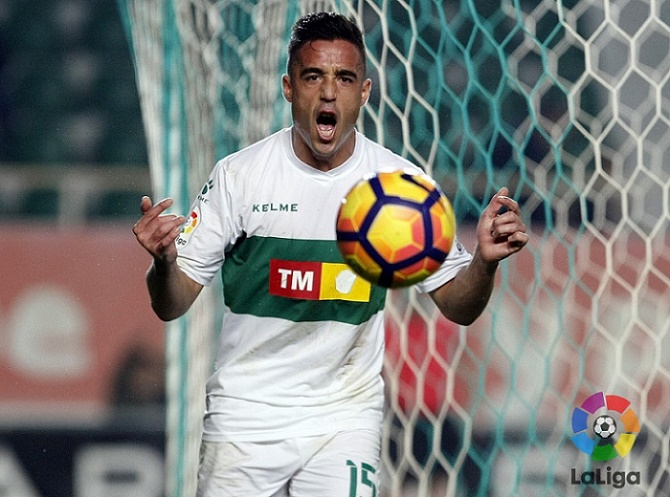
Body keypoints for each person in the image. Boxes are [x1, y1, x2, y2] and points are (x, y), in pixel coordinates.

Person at [132, 11, 528, 497]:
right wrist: (164, 262)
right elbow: (170, 304)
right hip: (246, 416)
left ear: (363, 92)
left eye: (343, 79)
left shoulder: (400, 190)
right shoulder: (240, 177)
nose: (327, 93)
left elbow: (459, 308)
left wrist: (484, 263)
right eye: (313, 76)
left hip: (344, 418)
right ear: (288, 87)